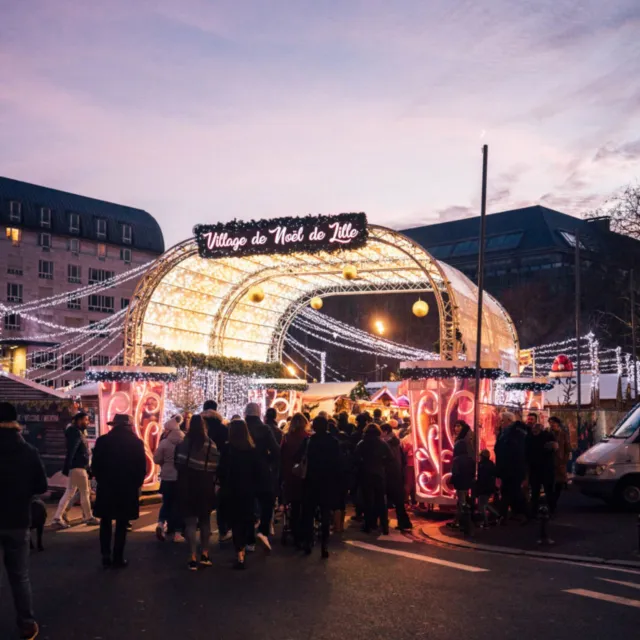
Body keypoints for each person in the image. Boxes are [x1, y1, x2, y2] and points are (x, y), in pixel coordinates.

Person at [0, 402, 48, 640]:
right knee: (19, 575)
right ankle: (27, 624)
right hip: (18, 519)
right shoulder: (28, 451)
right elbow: (41, 486)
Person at [92, 414, 146, 569]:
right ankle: (118, 556)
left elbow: (95, 465)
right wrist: (136, 484)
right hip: (126, 488)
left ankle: (105, 555)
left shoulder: (102, 441)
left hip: (107, 486)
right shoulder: (135, 442)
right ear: (128, 426)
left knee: (106, 521)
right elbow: (141, 468)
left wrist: (101, 480)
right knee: (122, 523)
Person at [175, 414, 219, 571]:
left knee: (191, 522)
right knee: (205, 520)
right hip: (205, 484)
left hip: (187, 483)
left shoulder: (184, 443)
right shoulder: (211, 445)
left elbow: (178, 463)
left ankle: (192, 556)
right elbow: (216, 466)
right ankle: (205, 554)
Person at [217, 419, 263, 569]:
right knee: (247, 517)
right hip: (248, 489)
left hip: (231, 489)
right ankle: (250, 541)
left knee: (235, 521)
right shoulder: (252, 450)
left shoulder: (228, 449)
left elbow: (221, 470)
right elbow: (258, 472)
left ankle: (240, 551)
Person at [301, 415, 341, 558]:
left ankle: (308, 542)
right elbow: (338, 463)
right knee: (325, 514)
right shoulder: (333, 442)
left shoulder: (309, 441)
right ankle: (324, 545)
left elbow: (303, 459)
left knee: (308, 513)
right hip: (327, 482)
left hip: (311, 481)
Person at [245, 403, 280, 552]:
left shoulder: (241, 427)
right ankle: (263, 530)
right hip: (262, 470)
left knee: (247, 506)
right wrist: (268, 461)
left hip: (244, 471)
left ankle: (248, 542)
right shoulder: (265, 429)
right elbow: (276, 450)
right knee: (267, 501)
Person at [52, 412, 98, 527]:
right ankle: (87, 517)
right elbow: (72, 451)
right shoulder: (76, 433)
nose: (87, 422)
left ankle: (59, 516)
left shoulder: (75, 432)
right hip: (78, 467)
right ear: (78, 420)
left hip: (77, 467)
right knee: (81, 492)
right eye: (85, 420)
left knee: (74, 492)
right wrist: (68, 467)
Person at [201, 400, 230, 543]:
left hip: (199, 467)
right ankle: (222, 529)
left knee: (201, 499)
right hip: (218, 468)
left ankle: (200, 527)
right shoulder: (223, 428)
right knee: (220, 501)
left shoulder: (198, 426)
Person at [153, 416, 185, 541]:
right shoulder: (184, 441)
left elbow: (156, 459)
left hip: (167, 476)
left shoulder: (164, 442)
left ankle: (161, 523)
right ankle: (178, 532)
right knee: (179, 504)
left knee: (167, 502)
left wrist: (164, 463)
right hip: (180, 477)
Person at [356, 423, 391, 534]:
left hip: (365, 474)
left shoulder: (362, 443)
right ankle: (384, 526)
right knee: (381, 500)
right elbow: (390, 458)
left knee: (367, 501)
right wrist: (382, 464)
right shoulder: (382, 444)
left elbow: (355, 458)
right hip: (379, 474)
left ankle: (368, 525)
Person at [280, 413, 310, 547]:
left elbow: (281, 456)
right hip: (304, 475)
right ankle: (303, 532)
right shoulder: (308, 438)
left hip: (289, 474)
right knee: (305, 504)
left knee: (294, 505)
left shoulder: (286, 438)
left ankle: (294, 529)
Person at [494, 413, 529, 522]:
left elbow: (515, 453)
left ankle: (507, 514)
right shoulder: (506, 433)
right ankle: (515, 513)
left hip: (512, 468)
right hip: (509, 468)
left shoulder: (514, 434)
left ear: (509, 421)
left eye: (503, 421)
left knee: (511, 491)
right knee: (511, 491)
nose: (501, 423)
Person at [380, 424, 412, 531]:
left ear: (385, 432)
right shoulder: (396, 442)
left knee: (385, 499)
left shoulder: (386, 443)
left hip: (389, 473)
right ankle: (404, 522)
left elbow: (388, 459)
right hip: (397, 473)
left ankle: (384, 523)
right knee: (398, 501)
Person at [526, 422, 556, 516]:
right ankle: (546, 510)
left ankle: (542, 510)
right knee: (541, 491)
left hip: (541, 468)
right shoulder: (531, 438)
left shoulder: (531, 437)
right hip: (541, 468)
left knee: (541, 491)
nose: (534, 432)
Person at [450, 421, 476, 528]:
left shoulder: (462, 443)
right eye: (455, 425)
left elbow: (456, 471)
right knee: (463, 498)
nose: (456, 428)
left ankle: (460, 521)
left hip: (462, 477)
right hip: (466, 475)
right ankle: (459, 520)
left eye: (458, 426)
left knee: (462, 499)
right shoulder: (466, 443)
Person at [549, 416, 571, 513]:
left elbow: (567, 448)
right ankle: (551, 505)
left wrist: (564, 461)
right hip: (550, 463)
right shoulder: (548, 433)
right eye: (550, 422)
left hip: (560, 462)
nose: (551, 424)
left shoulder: (563, 434)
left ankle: (554, 503)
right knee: (550, 485)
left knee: (558, 484)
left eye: (553, 422)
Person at [475, 450, 499, 527]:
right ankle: (496, 516)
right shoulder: (491, 464)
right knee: (484, 504)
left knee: (482, 505)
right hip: (489, 487)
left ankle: (487, 522)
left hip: (483, 487)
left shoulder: (481, 465)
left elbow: (481, 478)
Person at [401, 428, 417, 506]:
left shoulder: (407, 438)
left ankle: (410, 500)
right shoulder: (407, 439)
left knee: (411, 482)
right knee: (411, 482)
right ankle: (409, 500)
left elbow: (403, 451)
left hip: (412, 463)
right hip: (412, 463)